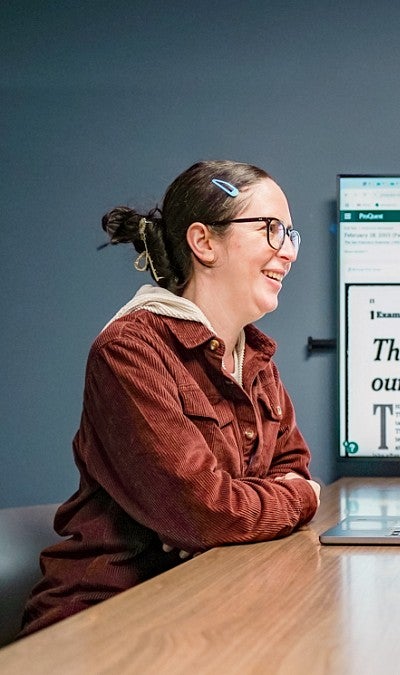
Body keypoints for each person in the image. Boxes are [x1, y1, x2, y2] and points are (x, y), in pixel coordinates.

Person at [19, 160, 321, 637]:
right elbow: (209, 514)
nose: (288, 251)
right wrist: (291, 500)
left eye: (290, 234)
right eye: (271, 229)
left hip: (207, 606)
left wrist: (252, 508)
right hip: (110, 622)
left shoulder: (256, 359)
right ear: (203, 242)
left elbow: (292, 469)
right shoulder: (130, 351)